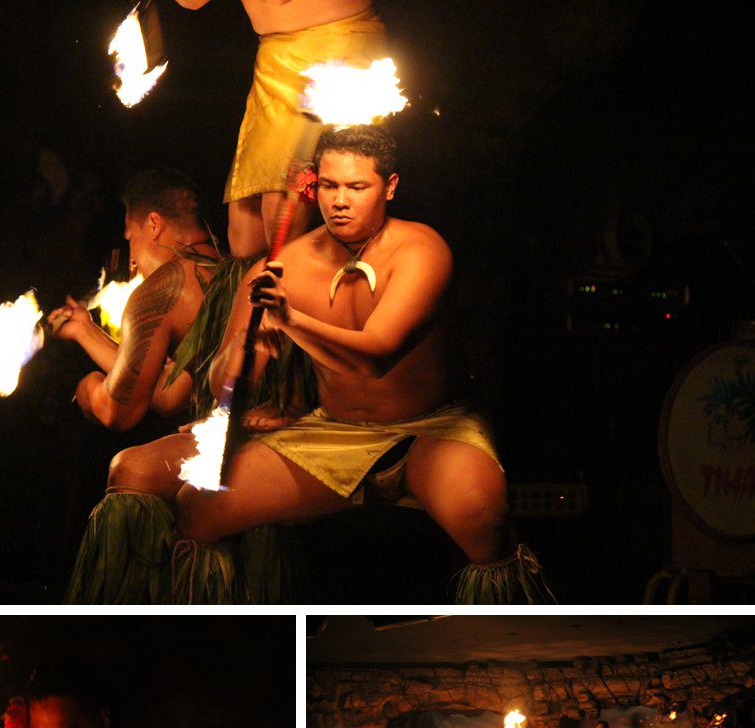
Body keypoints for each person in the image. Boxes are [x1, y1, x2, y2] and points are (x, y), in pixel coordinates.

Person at [109, 125, 554, 604]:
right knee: (198, 508)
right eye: (329, 186)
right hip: (333, 432)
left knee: (482, 517)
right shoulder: (278, 270)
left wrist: (289, 320)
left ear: (390, 187)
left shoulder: (422, 250)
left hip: (428, 430)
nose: (340, 200)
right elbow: (225, 381)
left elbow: (375, 355)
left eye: (357, 187)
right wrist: (238, 359)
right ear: (313, 185)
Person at [172, 1, 388, 258]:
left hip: (337, 43)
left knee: (280, 215)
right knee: (245, 239)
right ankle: (258, 291)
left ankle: (308, 285)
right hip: (274, 58)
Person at [48, 167, 219, 432]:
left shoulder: (159, 290)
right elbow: (167, 393)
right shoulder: (224, 269)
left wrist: (89, 388)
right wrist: (84, 330)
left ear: (153, 224)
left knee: (125, 468)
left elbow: (116, 413)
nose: (133, 260)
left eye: (131, 239)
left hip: (249, 445)